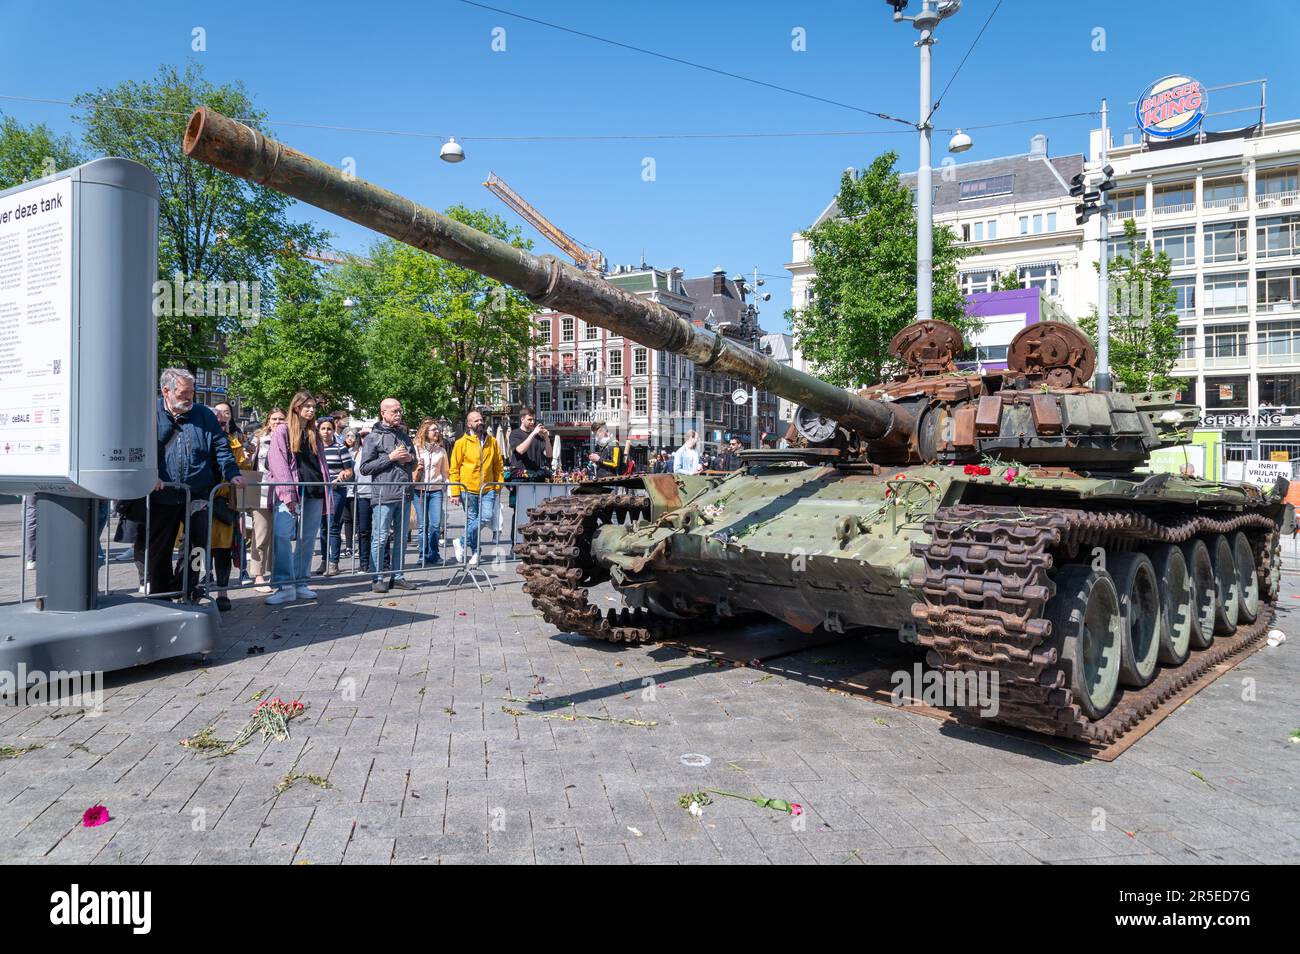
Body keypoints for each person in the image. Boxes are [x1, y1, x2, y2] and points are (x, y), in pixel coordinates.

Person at [138, 368, 244, 601]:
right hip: (162, 492)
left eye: (192, 393)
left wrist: (232, 472)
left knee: (197, 542)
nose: (190, 398)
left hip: (197, 491)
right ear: (166, 391)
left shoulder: (204, 415)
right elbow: (141, 449)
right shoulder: (150, 413)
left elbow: (220, 445)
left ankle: (188, 587)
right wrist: (149, 475)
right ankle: (161, 594)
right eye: (184, 393)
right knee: (160, 546)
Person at [265, 391, 332, 605]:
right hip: (291, 491)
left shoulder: (313, 432)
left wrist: (326, 488)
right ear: (296, 407)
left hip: (314, 489)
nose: (311, 410)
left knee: (308, 538)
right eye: (307, 406)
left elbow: (320, 463)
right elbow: (278, 463)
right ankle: (284, 584)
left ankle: (301, 582)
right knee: (282, 535)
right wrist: (287, 494)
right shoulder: (282, 431)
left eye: (313, 406)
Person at [359, 398, 418, 593]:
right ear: (382, 413)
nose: (398, 414)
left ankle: (398, 576)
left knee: (402, 537)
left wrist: (410, 459)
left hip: (404, 493)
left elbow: (414, 462)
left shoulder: (404, 436)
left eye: (400, 411)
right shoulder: (372, 437)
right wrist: (390, 458)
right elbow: (365, 468)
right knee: (380, 536)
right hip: (384, 494)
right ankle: (377, 578)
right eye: (394, 411)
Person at [449, 409, 504, 567]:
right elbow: (454, 469)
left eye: (481, 420)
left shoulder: (492, 441)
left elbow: (498, 465)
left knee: (485, 517)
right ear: (469, 424)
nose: (480, 422)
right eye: (476, 420)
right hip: (467, 489)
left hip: (488, 488)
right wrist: (455, 491)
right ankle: (475, 552)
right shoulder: (461, 443)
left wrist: (498, 485)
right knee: (472, 520)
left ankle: (460, 541)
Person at [209, 401, 250, 611]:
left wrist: (246, 456)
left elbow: (243, 468)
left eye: (226, 413)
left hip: (224, 504)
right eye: (217, 413)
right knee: (197, 548)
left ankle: (222, 592)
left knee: (223, 550)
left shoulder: (235, 442)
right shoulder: (201, 437)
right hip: (200, 501)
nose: (222, 416)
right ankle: (195, 588)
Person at [247, 407, 285, 593]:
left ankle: (276, 573)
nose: (277, 422)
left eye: (281, 419)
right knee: (261, 534)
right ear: (268, 421)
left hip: (282, 492)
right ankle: (258, 574)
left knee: (280, 536)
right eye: (274, 419)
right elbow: (248, 462)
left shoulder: (288, 438)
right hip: (261, 491)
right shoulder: (259, 438)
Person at [315, 417, 354, 577]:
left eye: (329, 429)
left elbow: (349, 471)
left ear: (333, 430)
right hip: (320, 491)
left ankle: (333, 562)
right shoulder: (314, 449)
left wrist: (344, 475)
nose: (326, 432)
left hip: (336, 490)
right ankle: (324, 559)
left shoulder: (340, 448)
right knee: (323, 527)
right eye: (323, 429)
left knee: (333, 526)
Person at [413, 418, 449, 565]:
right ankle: (422, 555)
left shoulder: (441, 450)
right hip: (419, 490)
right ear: (425, 432)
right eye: (434, 430)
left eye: (437, 430)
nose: (437, 432)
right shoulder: (416, 448)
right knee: (423, 525)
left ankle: (434, 553)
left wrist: (449, 487)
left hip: (435, 490)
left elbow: (445, 472)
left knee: (435, 525)